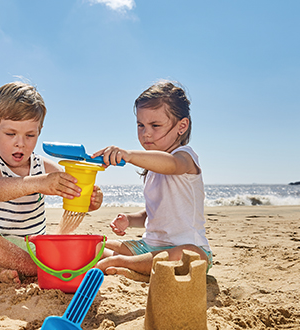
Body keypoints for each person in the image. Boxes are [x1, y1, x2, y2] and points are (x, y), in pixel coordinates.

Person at [0, 81, 103, 285]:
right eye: (11, 134)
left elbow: (72, 187)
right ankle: (38, 270)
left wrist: (88, 199)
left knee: (90, 243)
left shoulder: (42, 165)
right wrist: (39, 183)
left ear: (39, 131)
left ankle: (8, 272)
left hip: (33, 248)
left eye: (30, 135)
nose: (20, 143)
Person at [91, 80, 212, 281]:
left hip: (185, 248)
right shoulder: (152, 167)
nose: (146, 133)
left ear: (182, 126)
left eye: (155, 125)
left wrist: (128, 155)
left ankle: (124, 263)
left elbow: (173, 165)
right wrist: (130, 219)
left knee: (190, 256)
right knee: (95, 247)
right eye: (141, 125)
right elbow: (153, 214)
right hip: (150, 247)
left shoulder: (185, 157)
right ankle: (135, 266)